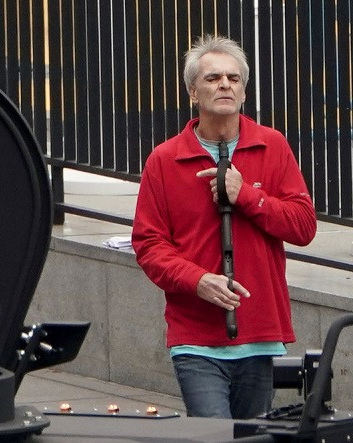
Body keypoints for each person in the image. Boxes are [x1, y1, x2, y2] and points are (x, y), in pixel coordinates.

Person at [131, 35, 317, 419]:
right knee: (213, 434)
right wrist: (199, 280)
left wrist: (247, 195)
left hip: (259, 335)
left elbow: (303, 226)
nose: (225, 85)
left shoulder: (272, 146)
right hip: (194, 338)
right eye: (213, 77)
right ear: (192, 92)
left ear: (244, 92)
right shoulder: (164, 160)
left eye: (234, 78)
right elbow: (149, 246)